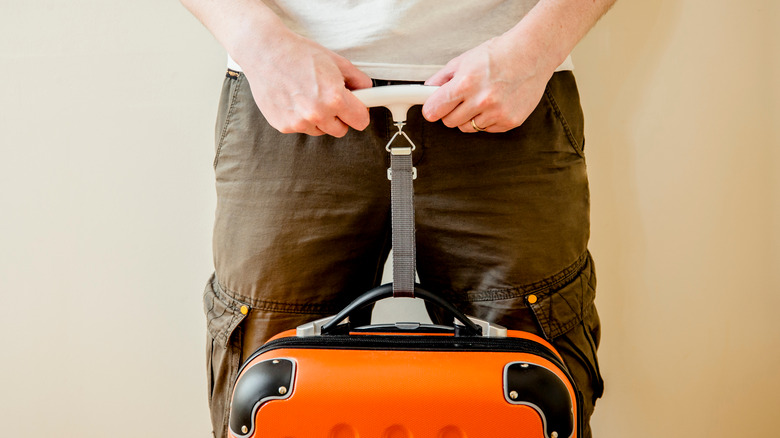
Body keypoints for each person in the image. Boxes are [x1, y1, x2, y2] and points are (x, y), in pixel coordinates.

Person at [181, 1, 615, 437]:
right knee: (271, 397)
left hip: (507, 90)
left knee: (530, 397)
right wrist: (259, 44)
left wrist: (535, 49)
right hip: (291, 93)